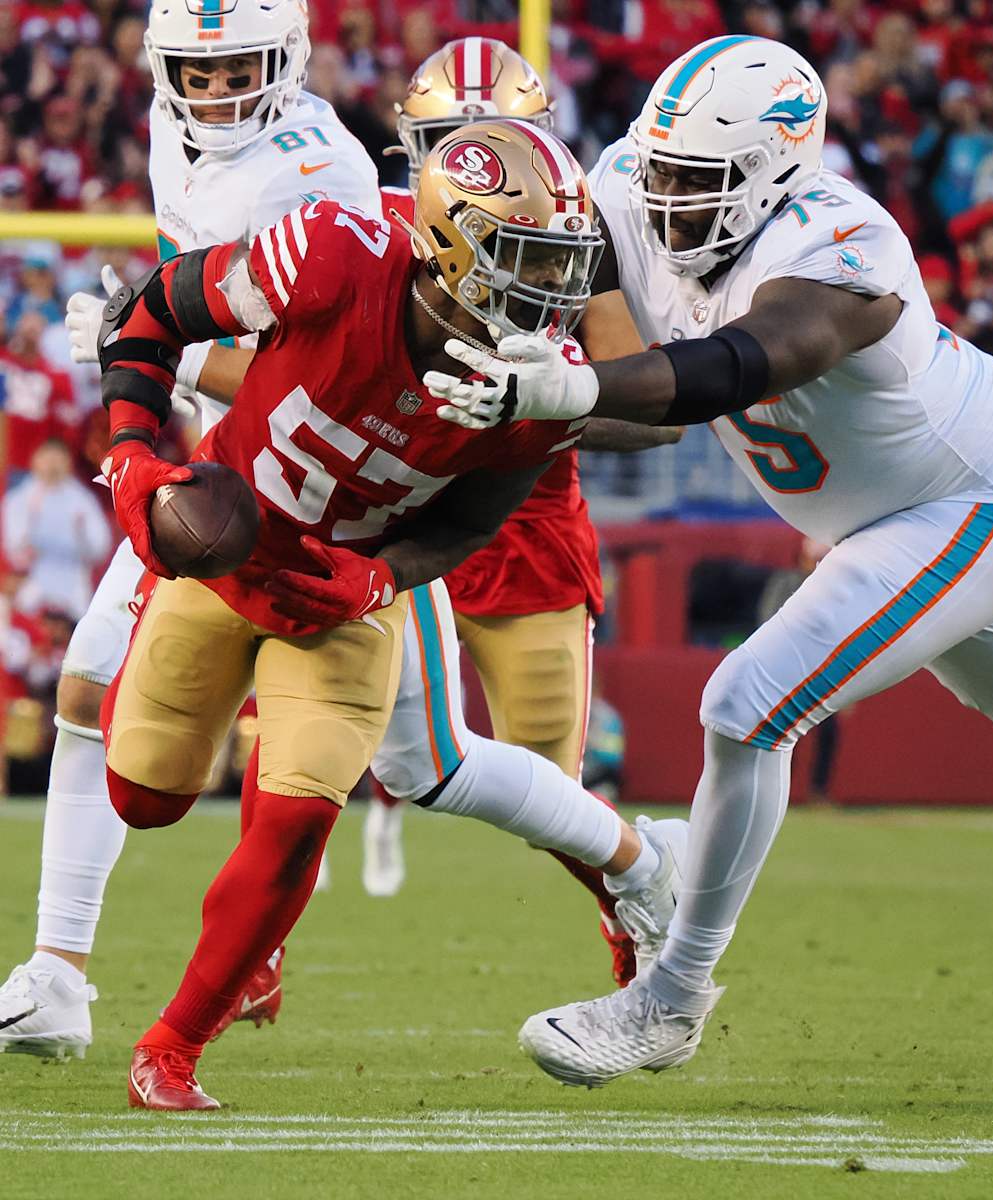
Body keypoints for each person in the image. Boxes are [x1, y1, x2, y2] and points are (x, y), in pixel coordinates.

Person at [429, 35, 993, 1088]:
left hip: (967, 498)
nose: (664, 200)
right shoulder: (629, 190)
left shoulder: (842, 246)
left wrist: (574, 391)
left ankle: (671, 999)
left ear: (773, 173)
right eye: (658, 170)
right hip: (893, 515)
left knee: (746, 703)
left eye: (695, 181)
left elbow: (740, 364)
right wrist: (509, 396)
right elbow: (635, 396)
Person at [94, 119, 685, 1110]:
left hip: (341, 595)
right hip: (223, 548)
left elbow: (467, 526)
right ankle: (633, 866)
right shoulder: (333, 254)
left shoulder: (531, 382)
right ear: (449, 244)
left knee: (300, 814)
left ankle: (173, 1045)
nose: (550, 288)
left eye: (560, 261)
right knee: (142, 798)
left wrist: (376, 581)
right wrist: (130, 455)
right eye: (525, 258)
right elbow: (155, 310)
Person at [0, 0, 382, 1061]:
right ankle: (61, 973)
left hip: (301, 478)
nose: (214, 93)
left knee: (434, 763)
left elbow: (314, 387)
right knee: (88, 689)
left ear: (287, 61)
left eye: (238, 69)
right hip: (224, 459)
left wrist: (144, 343)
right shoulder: (179, 132)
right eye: (196, 72)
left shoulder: (313, 177)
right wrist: (149, 342)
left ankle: (633, 868)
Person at [385, 36, 679, 976]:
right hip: (397, 521)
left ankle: (634, 894)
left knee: (548, 796)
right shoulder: (374, 230)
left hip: (526, 535)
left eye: (490, 139)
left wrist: (543, 404)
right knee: (319, 744)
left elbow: (656, 413)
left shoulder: (573, 232)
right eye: (448, 144)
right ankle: (254, 955)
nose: (474, 167)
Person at [1, 436, 111, 620]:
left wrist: (77, 538)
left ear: (68, 463)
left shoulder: (83, 501)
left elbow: (100, 547)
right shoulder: (19, 499)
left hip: (73, 588)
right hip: (31, 586)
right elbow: (14, 545)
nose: (52, 466)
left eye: (57, 460)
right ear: (35, 461)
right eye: (47, 459)